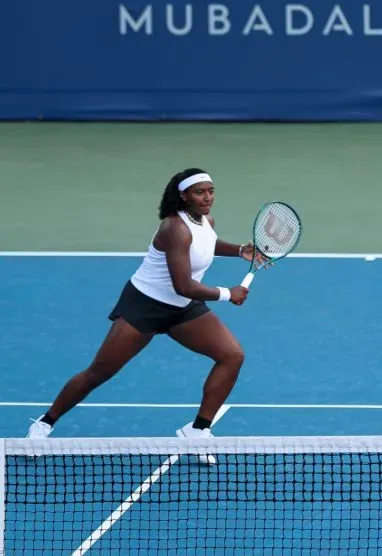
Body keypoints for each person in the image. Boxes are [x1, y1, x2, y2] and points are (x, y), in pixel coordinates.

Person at [26, 168, 266, 465]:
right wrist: (228, 294)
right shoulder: (172, 228)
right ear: (183, 195)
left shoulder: (205, 222)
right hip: (145, 306)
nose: (208, 197)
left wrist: (240, 250)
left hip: (183, 308)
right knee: (99, 373)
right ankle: (44, 424)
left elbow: (206, 243)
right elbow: (183, 284)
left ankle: (198, 430)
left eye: (211, 191)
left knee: (232, 355)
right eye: (200, 192)